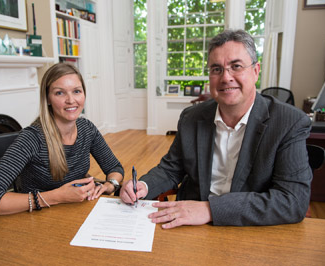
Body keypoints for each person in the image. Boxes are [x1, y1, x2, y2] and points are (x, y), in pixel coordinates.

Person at [120, 29, 312, 227]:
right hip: (189, 226)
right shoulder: (191, 117)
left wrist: (211, 209)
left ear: (255, 71)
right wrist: (142, 185)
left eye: (236, 66)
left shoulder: (289, 122)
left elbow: (292, 201)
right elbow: (171, 169)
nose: (226, 77)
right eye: (216, 69)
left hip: (248, 228)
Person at [0, 63, 124, 216]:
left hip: (75, 213)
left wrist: (110, 185)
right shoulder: (32, 138)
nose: (71, 100)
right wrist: (57, 196)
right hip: (38, 219)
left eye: (77, 91)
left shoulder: (87, 128)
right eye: (60, 93)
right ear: (48, 99)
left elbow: (115, 168)